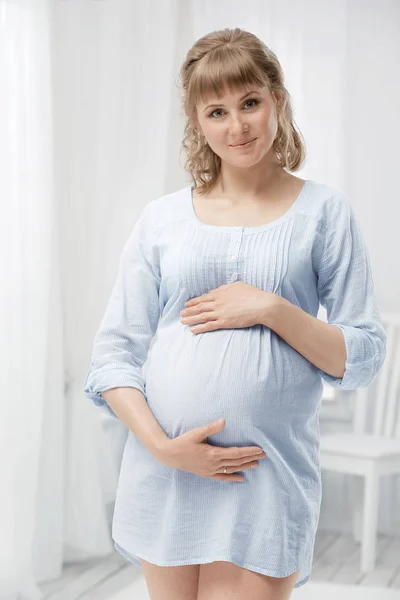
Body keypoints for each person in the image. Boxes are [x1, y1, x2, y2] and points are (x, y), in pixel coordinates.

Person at [82, 27, 387, 600]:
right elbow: (113, 354)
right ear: (198, 123)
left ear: (278, 99)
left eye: (250, 102)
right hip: (166, 469)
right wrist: (160, 445)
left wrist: (272, 308)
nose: (237, 125)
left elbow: (362, 355)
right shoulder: (162, 219)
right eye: (216, 111)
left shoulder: (324, 212)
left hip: (265, 475)